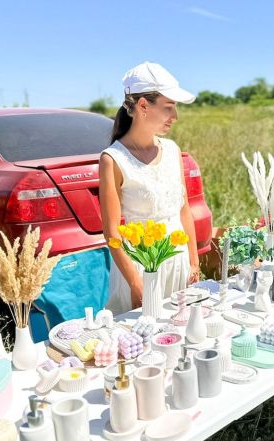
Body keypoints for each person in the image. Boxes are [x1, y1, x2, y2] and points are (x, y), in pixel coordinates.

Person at [99, 62, 200, 314]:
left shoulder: (172, 150)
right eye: (168, 108)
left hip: (178, 264)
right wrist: (136, 283)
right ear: (143, 105)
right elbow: (112, 232)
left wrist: (194, 262)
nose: (175, 117)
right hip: (142, 269)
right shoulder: (113, 159)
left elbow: (184, 209)